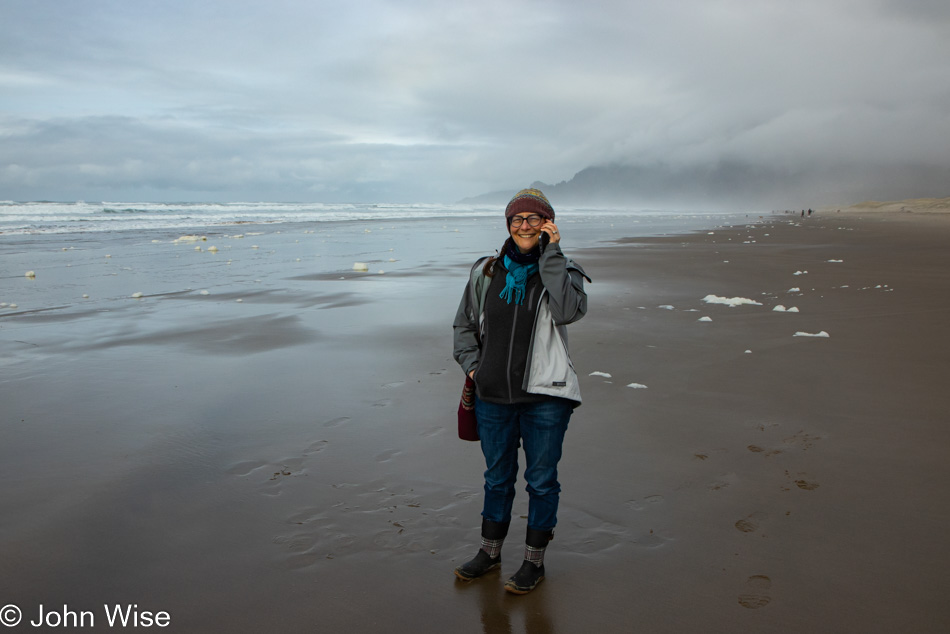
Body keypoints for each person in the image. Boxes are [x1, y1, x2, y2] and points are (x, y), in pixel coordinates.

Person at [452, 188, 590, 594]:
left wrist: (552, 255)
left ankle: (533, 563)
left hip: (546, 397)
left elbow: (567, 311)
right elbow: (463, 325)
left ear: (548, 225)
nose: (524, 226)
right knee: (497, 478)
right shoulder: (486, 273)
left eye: (534, 219)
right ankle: (489, 553)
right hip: (493, 395)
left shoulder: (565, 271)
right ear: (508, 225)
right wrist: (473, 368)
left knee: (542, 480)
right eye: (517, 219)